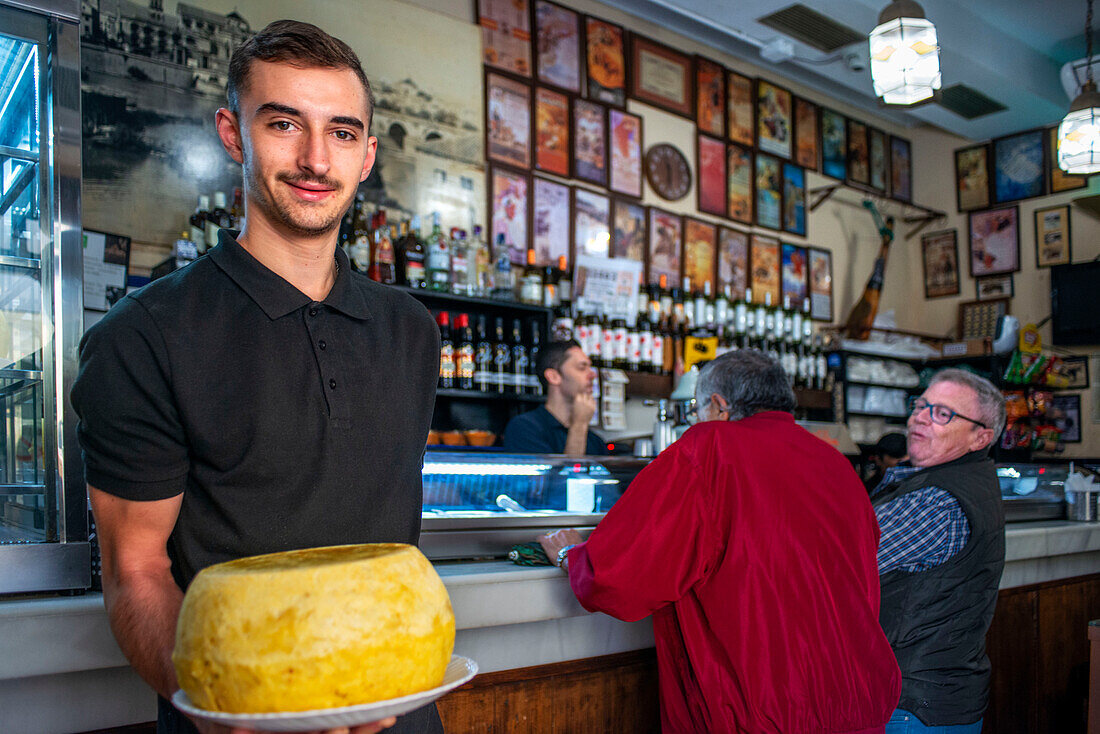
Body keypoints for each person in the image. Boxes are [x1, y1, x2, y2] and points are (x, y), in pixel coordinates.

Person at [70, 21, 443, 734]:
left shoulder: (412, 332)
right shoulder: (141, 336)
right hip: (238, 717)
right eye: (282, 123)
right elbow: (136, 570)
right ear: (233, 134)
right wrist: (223, 709)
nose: (313, 158)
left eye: (340, 132)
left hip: (402, 710)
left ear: (365, 156)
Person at [539, 350, 900, 733]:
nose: (697, 419)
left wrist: (570, 555)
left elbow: (619, 577)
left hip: (754, 711)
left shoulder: (709, 448)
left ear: (718, 406)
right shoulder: (835, 463)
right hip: (858, 706)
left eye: (696, 410)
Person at [872, 369, 1006, 733]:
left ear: (981, 437)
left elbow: (840, 565)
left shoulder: (937, 500)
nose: (920, 416)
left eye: (942, 413)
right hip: (936, 697)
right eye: (921, 405)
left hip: (913, 705)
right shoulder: (961, 480)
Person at [502, 339, 608, 456]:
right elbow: (563, 473)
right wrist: (579, 425)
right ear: (553, 376)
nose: (593, 374)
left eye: (590, 367)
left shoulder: (595, 441)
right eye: (582, 368)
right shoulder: (523, 428)